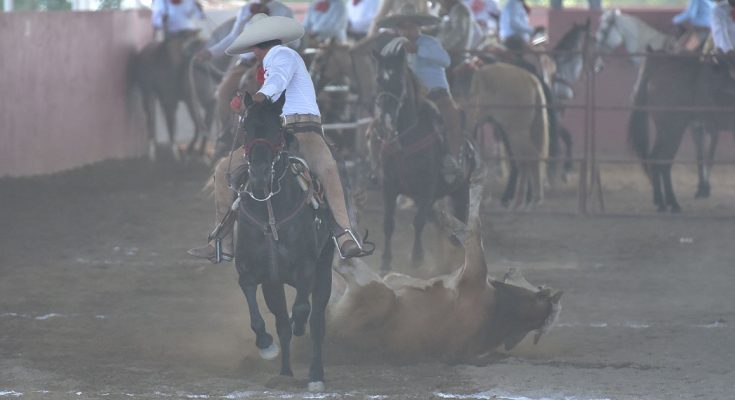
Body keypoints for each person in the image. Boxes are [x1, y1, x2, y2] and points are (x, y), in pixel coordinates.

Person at [188, 14, 370, 262]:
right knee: (327, 169)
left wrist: (254, 101)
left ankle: (344, 235)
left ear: (257, 46)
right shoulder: (272, 62)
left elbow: (277, 83)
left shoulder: (282, 56)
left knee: (225, 170)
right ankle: (344, 236)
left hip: (299, 129)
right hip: (282, 132)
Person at [377, 5, 465, 183]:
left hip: (436, 92)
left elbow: (446, 61)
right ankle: (381, 163)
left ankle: (453, 160)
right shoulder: (396, 49)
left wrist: (419, 50)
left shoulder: (430, 43)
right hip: (409, 96)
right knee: (384, 120)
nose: (407, 31)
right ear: (398, 29)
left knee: (451, 117)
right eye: (403, 27)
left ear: (419, 27)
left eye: (411, 26)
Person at [194, 0, 296, 137]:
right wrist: (211, 52)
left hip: (272, 62)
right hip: (246, 63)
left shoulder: (283, 11)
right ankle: (227, 133)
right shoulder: (246, 10)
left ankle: (285, 131)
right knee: (223, 93)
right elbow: (233, 37)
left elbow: (295, 41)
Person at [437, 0, 479, 66]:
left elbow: (457, 33)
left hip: (454, 57)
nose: (441, 3)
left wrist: (440, 48)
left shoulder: (459, 10)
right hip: (451, 55)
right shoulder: (455, 10)